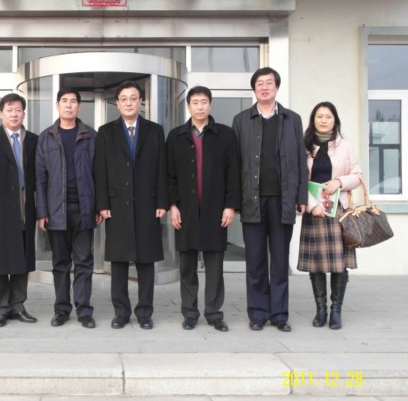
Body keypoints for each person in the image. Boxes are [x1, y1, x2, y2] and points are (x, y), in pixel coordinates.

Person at [232, 67, 307, 332]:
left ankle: (280, 315)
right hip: (252, 201)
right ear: (254, 89)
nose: (264, 87)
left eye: (269, 83)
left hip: (283, 201)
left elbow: (300, 160)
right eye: (260, 84)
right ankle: (257, 314)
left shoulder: (292, 119)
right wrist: (235, 200)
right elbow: (235, 163)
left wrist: (301, 196)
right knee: (255, 261)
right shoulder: (242, 120)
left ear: (276, 87)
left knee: (279, 260)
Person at [95, 80, 168, 330]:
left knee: (146, 260)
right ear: (117, 103)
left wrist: (162, 201)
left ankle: (145, 312)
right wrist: (102, 203)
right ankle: (121, 312)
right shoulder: (106, 132)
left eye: (133, 98)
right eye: (124, 99)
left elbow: (162, 167)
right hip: (116, 205)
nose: (128, 103)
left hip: (148, 204)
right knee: (119, 261)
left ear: (141, 101)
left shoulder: (155, 131)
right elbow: (100, 170)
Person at [166, 86, 240, 332]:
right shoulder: (176, 136)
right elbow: (169, 175)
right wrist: (173, 206)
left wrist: (230, 206)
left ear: (210, 105)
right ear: (188, 106)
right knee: (187, 265)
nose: (200, 107)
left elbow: (233, 173)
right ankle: (189, 313)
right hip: (185, 210)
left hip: (215, 209)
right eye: (195, 102)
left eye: (204, 102)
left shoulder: (225, 135)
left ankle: (214, 313)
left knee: (214, 266)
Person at [36, 88, 102, 329]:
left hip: (84, 208)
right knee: (60, 263)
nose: (69, 105)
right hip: (56, 210)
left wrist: (99, 206)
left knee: (84, 262)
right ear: (57, 105)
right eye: (64, 101)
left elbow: (99, 174)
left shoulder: (91, 135)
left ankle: (84, 311)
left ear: (79, 106)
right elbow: (40, 178)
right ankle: (61, 309)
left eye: (73, 101)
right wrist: (42, 212)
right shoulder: (46, 137)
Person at [298, 102, 361, 330]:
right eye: (319, 116)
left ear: (335, 121)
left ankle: (336, 310)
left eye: (328, 116)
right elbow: (298, 178)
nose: (324, 120)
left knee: (338, 264)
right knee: (316, 264)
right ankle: (321, 309)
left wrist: (339, 182)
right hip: (314, 212)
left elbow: (358, 175)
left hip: (338, 212)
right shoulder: (304, 146)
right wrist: (312, 204)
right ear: (313, 120)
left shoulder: (345, 146)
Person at [0, 94, 38, 327]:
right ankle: (1, 308)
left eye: (18, 110)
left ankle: (18, 305)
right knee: (1, 258)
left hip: (25, 204)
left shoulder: (33, 140)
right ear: (1, 113)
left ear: (24, 113)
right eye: (9, 110)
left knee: (22, 256)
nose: (14, 114)